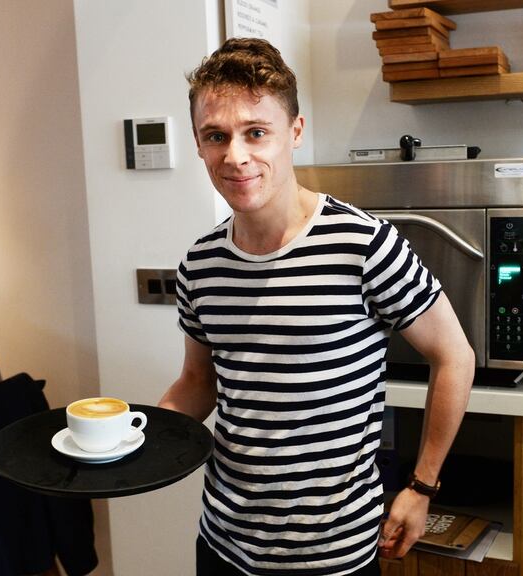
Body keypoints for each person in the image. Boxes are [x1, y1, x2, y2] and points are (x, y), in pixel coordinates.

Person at [158, 38, 474, 576]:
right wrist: (135, 437)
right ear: (199, 144)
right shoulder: (200, 264)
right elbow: (197, 381)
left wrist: (422, 486)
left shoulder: (364, 243)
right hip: (224, 545)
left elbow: (455, 356)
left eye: (257, 132)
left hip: (333, 554)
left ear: (295, 132)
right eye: (216, 136)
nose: (236, 156)